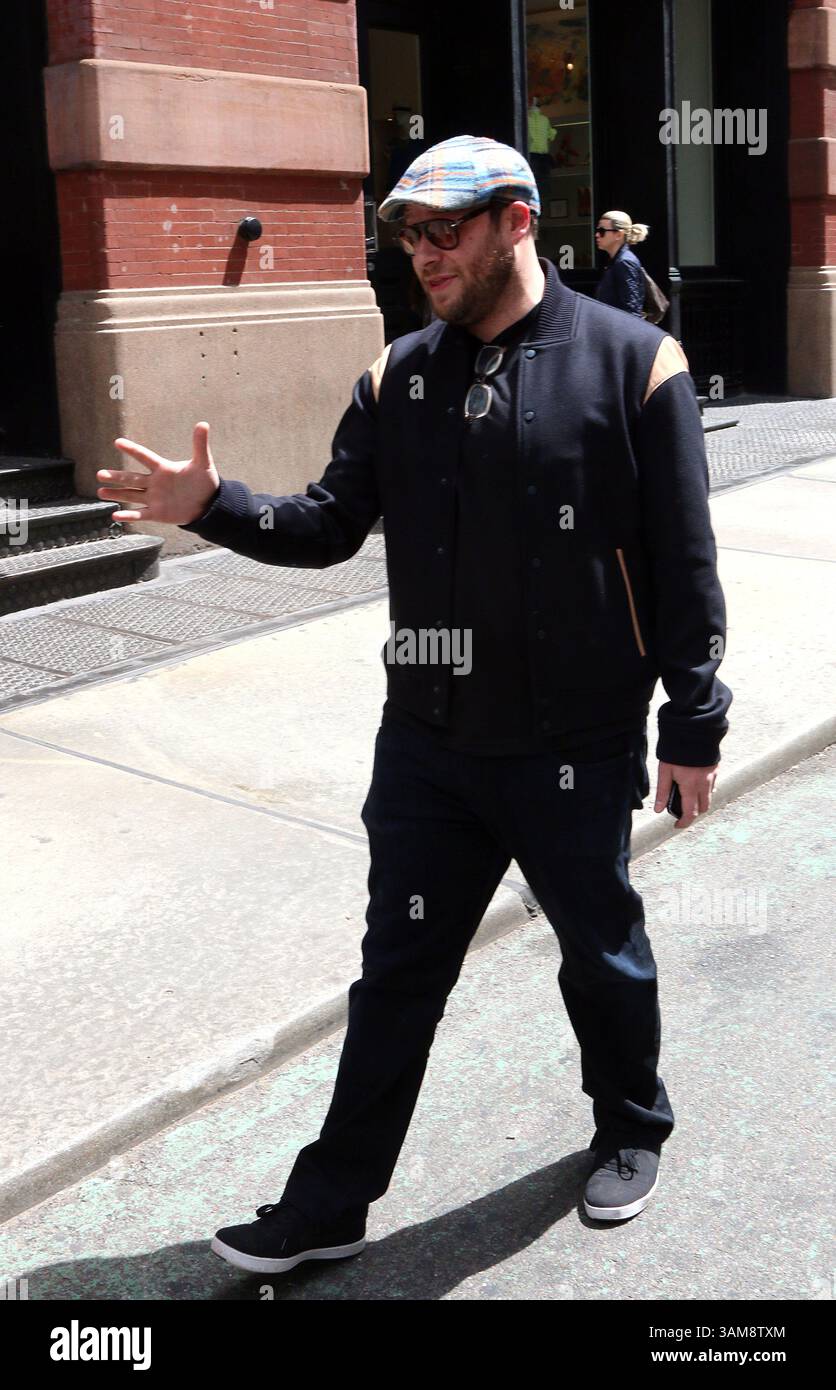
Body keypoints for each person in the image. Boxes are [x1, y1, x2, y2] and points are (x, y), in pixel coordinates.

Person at [96, 134, 731, 1277]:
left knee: (602, 955)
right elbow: (327, 526)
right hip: (429, 749)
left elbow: (682, 565)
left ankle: (630, 1124)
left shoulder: (635, 363)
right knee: (397, 976)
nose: (423, 254)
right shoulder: (399, 376)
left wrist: (692, 722)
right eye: (407, 234)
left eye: (447, 230)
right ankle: (330, 1202)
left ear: (516, 224)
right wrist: (212, 506)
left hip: (572, 744)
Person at [595, 211, 649, 316]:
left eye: (602, 231)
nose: (597, 235)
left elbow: (632, 310)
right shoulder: (616, 261)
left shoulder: (625, 262)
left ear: (619, 235)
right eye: (597, 230)